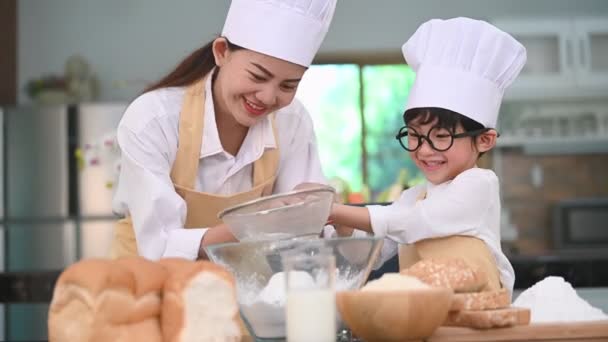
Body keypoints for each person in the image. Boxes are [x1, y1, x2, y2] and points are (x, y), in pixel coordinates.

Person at [110, 0, 338, 261]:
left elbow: (305, 233)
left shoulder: (292, 120)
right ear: (221, 52)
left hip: (246, 290)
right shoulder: (154, 118)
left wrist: (320, 215)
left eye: (288, 86)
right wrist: (260, 221)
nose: (267, 97)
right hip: (148, 287)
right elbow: (160, 246)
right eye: (257, 76)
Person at [328, 17, 527, 294]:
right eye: (414, 135)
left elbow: (417, 222)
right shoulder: (415, 197)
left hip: (478, 325)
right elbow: (368, 257)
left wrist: (340, 211)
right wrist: (343, 226)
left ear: (484, 140)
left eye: (441, 137)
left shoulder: (479, 185)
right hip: (426, 323)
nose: (423, 150)